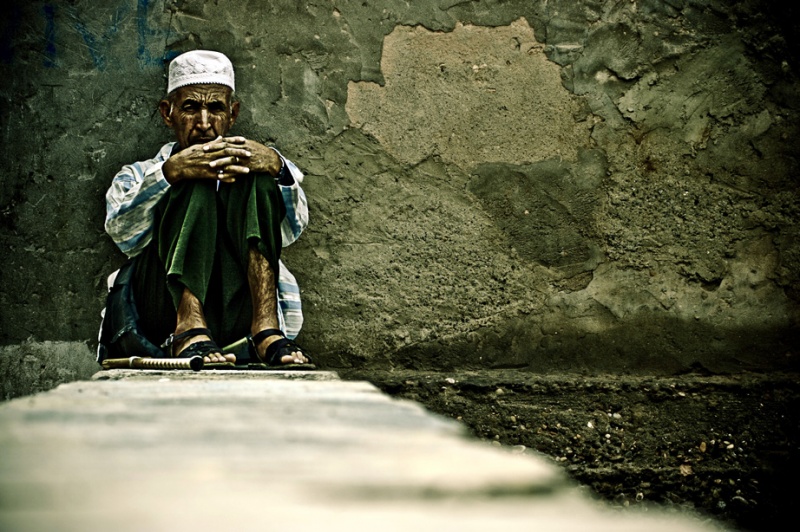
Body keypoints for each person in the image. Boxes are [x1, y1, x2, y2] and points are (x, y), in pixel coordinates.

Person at [102, 50, 311, 367]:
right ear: (167, 113)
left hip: (237, 312)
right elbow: (124, 238)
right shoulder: (137, 174)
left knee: (256, 177)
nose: (204, 123)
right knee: (192, 173)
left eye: (215, 109)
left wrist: (277, 167)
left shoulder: (252, 169)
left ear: (233, 113)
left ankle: (267, 329)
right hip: (162, 314)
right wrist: (170, 173)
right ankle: (189, 326)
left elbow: (290, 231)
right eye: (190, 108)